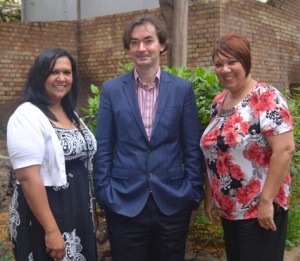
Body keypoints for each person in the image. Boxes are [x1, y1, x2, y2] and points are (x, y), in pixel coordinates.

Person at [93, 14, 204, 261]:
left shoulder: (182, 89)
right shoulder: (112, 90)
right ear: (129, 48)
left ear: (161, 45)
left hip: (173, 202)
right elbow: (103, 147)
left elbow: (192, 147)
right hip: (123, 201)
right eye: (134, 42)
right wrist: (104, 193)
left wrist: (193, 191)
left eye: (148, 40)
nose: (141, 48)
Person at [200, 33, 295, 261]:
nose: (225, 69)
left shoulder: (267, 97)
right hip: (231, 210)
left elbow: (285, 149)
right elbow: (215, 152)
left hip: (259, 210)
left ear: (246, 61)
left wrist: (265, 202)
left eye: (232, 62)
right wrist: (210, 195)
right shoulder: (218, 103)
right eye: (219, 64)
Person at [7, 48, 98, 261]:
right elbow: (28, 178)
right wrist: (51, 230)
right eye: (54, 72)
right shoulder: (26, 116)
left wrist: (90, 211)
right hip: (46, 216)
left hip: (77, 209)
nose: (62, 78)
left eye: (67, 72)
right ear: (40, 76)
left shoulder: (69, 111)